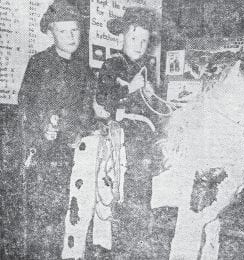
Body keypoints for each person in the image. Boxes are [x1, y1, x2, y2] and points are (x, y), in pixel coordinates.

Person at [18, 1, 94, 259]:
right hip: (44, 155)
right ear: (51, 33)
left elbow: (87, 109)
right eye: (63, 31)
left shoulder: (84, 69)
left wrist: (78, 133)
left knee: (72, 215)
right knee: (44, 218)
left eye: (75, 30)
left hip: (75, 153)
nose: (71, 37)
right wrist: (42, 129)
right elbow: (25, 105)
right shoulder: (39, 63)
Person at [95, 6, 163, 258]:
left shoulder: (145, 69)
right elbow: (103, 98)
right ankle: (125, 244)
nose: (139, 44)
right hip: (124, 134)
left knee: (145, 189)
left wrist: (151, 97)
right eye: (134, 38)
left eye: (144, 40)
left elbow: (154, 111)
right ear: (121, 38)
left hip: (144, 136)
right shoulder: (113, 63)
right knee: (132, 188)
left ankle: (139, 239)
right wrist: (130, 89)